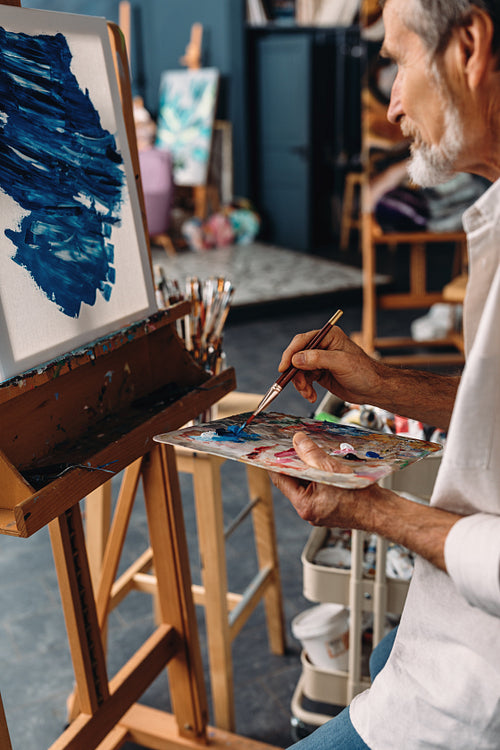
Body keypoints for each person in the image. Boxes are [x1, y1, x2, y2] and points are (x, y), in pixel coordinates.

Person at [270, 1, 500, 747]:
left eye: (399, 61)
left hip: (477, 690)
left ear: (469, 45)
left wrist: (368, 510)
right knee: (384, 650)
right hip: (458, 625)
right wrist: (385, 386)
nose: (393, 103)